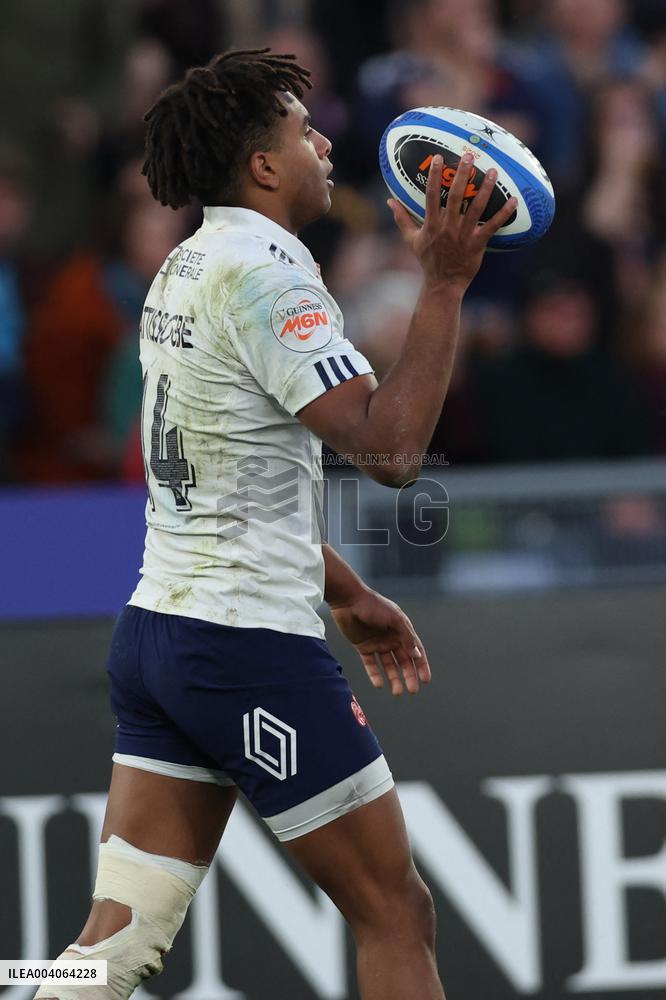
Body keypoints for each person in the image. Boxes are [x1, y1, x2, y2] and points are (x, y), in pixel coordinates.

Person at [34, 48, 515, 1000]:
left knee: (114, 946)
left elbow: (227, 479)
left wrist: (344, 589)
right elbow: (389, 453)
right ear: (262, 165)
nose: (326, 141)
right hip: (244, 650)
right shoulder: (267, 279)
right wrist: (447, 285)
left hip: (162, 636)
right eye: (304, 130)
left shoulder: (185, 265)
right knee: (396, 913)